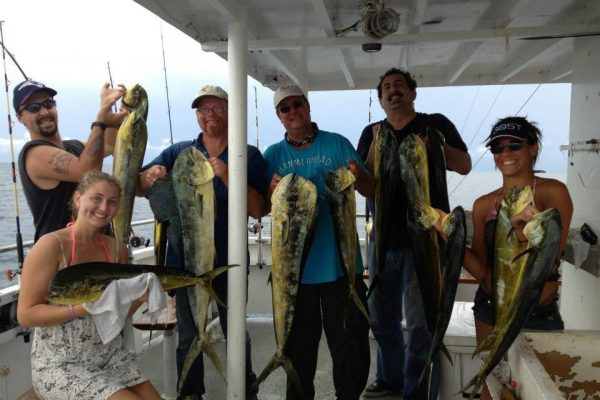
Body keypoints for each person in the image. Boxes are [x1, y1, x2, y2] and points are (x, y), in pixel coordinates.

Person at [138, 85, 267, 400]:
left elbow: (259, 208)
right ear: (196, 115)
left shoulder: (246, 154)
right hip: (185, 264)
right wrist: (149, 175)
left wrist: (227, 176)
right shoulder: (179, 152)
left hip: (229, 261)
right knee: (189, 334)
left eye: (217, 108)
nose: (210, 115)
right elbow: (140, 187)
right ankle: (189, 393)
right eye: (203, 109)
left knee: (236, 332)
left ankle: (244, 389)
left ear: (229, 111)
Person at [357, 68, 472, 399]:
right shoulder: (372, 131)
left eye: (399, 86)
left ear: (413, 93)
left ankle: (417, 389)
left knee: (422, 326)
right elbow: (364, 180)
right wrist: (377, 145)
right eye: (387, 88)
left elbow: (464, 164)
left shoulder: (435, 123)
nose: (393, 91)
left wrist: (435, 145)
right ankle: (389, 379)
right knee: (381, 321)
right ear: (381, 100)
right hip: (381, 241)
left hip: (425, 243)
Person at [263, 83, 374, 400]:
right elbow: (257, 208)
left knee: (350, 345)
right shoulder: (273, 155)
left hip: (341, 268)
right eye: (285, 108)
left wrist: (358, 174)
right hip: (294, 275)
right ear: (279, 116)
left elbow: (371, 189)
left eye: (297, 104)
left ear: (307, 107)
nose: (293, 111)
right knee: (298, 351)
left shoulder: (337, 144)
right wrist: (271, 195)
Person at [17, 171, 162, 400]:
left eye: (112, 201)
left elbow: (119, 311)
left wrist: (142, 297)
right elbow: (25, 315)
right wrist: (80, 309)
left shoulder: (118, 250)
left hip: (109, 354)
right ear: (78, 199)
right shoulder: (51, 246)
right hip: (61, 363)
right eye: (96, 198)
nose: (104, 208)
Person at [458, 116, 573, 400]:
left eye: (514, 145)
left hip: (537, 313)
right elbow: (484, 272)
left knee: (539, 392)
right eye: (498, 148)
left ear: (533, 148)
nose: (505, 153)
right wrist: (451, 242)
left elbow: (551, 257)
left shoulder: (552, 192)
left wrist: (524, 236)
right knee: (493, 388)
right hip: (489, 309)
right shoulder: (484, 204)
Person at [15, 79, 126, 242]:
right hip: (62, 255)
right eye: (34, 108)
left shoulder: (74, 147)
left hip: (97, 247)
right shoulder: (33, 154)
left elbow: (109, 144)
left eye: (48, 104)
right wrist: (100, 121)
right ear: (20, 118)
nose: (45, 112)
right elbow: (89, 172)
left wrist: (109, 107)